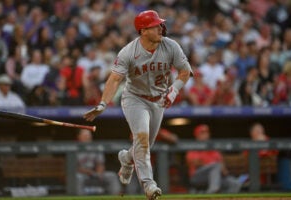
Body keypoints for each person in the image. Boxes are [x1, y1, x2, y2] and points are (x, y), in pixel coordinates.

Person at [83, 10, 192, 200]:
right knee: (141, 138)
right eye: (155, 26)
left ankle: (126, 158)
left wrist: (173, 91)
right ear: (143, 31)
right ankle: (149, 186)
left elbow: (185, 71)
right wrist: (102, 103)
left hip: (158, 101)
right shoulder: (128, 52)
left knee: (145, 144)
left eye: (160, 24)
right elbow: (115, 79)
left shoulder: (171, 46)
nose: (160, 28)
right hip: (135, 98)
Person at [185, 124, 242, 194]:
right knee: (216, 166)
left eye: (206, 132)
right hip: (197, 178)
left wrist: (219, 168)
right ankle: (212, 193)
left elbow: (223, 169)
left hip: (216, 177)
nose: (205, 135)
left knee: (235, 183)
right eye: (202, 133)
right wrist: (213, 165)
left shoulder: (214, 150)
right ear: (197, 135)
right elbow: (194, 163)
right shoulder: (193, 148)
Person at [76, 129, 121, 195]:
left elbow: (100, 164)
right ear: (79, 137)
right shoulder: (74, 147)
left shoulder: (95, 147)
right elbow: (73, 167)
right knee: (77, 177)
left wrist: (99, 173)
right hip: (82, 175)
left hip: (95, 174)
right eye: (85, 136)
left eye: (89, 136)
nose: (87, 138)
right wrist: (87, 172)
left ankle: (117, 198)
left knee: (112, 176)